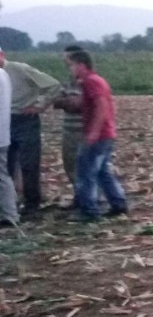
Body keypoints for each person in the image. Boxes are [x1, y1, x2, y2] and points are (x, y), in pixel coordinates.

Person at [65, 49, 128, 222]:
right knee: (103, 172)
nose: (69, 69)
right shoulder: (97, 80)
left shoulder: (91, 82)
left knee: (86, 173)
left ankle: (89, 211)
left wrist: (93, 132)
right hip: (106, 134)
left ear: (80, 65)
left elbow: (101, 106)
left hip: (98, 135)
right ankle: (118, 203)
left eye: (70, 65)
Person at [0, 46, 62, 218]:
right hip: (5, 121)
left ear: (2, 55)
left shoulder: (19, 69)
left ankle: (32, 204)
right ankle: (9, 205)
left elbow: (53, 85)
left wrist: (40, 105)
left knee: (29, 164)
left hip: (25, 120)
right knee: (7, 166)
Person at [51, 44, 85, 206]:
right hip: (69, 130)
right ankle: (80, 196)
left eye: (67, 59)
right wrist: (67, 102)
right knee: (69, 165)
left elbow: (79, 105)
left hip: (83, 131)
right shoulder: (69, 82)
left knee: (86, 166)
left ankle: (88, 199)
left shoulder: (88, 82)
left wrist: (67, 102)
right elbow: (57, 101)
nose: (64, 61)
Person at [0, 55, 19, 227]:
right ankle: (11, 211)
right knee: (3, 175)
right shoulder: (4, 74)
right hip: (3, 134)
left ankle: (10, 214)